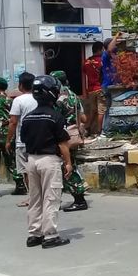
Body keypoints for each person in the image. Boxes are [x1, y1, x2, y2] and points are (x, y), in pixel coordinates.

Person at [21, 75, 73, 248]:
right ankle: (50, 236)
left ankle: (34, 234)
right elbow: (63, 144)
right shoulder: (55, 116)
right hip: (49, 160)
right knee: (51, 198)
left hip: (32, 160)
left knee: (35, 198)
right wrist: (68, 163)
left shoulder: (28, 117)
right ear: (52, 93)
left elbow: (24, 140)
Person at [50, 71, 89, 213]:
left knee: (67, 167)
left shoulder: (60, 99)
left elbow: (54, 117)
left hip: (63, 136)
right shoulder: (73, 96)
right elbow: (84, 118)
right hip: (73, 135)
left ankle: (79, 199)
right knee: (69, 165)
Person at [6, 72, 37, 206]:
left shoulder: (18, 100)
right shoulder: (39, 98)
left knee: (26, 171)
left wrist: (8, 140)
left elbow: (13, 122)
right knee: (37, 170)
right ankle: (38, 197)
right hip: (38, 139)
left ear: (20, 85)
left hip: (23, 141)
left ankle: (32, 197)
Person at [83, 41, 105, 135]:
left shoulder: (86, 61)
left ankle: (87, 128)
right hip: (100, 88)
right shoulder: (102, 61)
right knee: (101, 110)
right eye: (103, 49)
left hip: (91, 90)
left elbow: (84, 72)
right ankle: (99, 131)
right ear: (100, 50)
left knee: (92, 110)